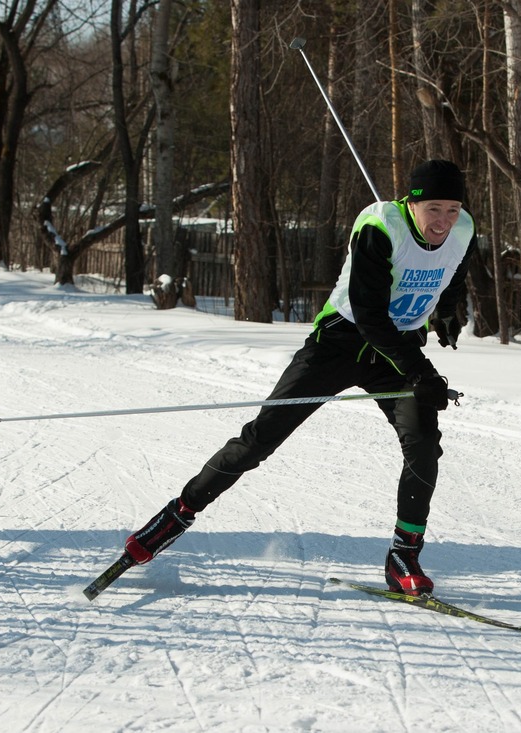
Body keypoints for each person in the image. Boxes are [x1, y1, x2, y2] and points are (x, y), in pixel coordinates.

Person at [123, 160, 477, 596]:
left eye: (453, 209)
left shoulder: (463, 231)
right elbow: (369, 315)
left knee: (423, 442)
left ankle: (404, 555)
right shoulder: (380, 227)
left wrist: (445, 313)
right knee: (260, 438)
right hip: (340, 343)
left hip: (395, 351)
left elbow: (453, 273)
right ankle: (175, 516)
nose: (443, 221)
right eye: (434, 209)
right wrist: (421, 372)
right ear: (412, 202)